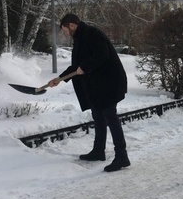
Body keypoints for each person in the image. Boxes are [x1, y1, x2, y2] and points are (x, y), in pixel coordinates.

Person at [48, 14, 130, 172]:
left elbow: (102, 54)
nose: (66, 34)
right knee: (98, 115)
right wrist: (59, 79)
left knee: (110, 117)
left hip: (110, 82)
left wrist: (85, 67)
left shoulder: (91, 33)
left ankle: (122, 156)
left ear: (72, 25)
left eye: (65, 30)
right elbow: (77, 65)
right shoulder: (80, 38)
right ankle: (98, 151)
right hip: (99, 84)